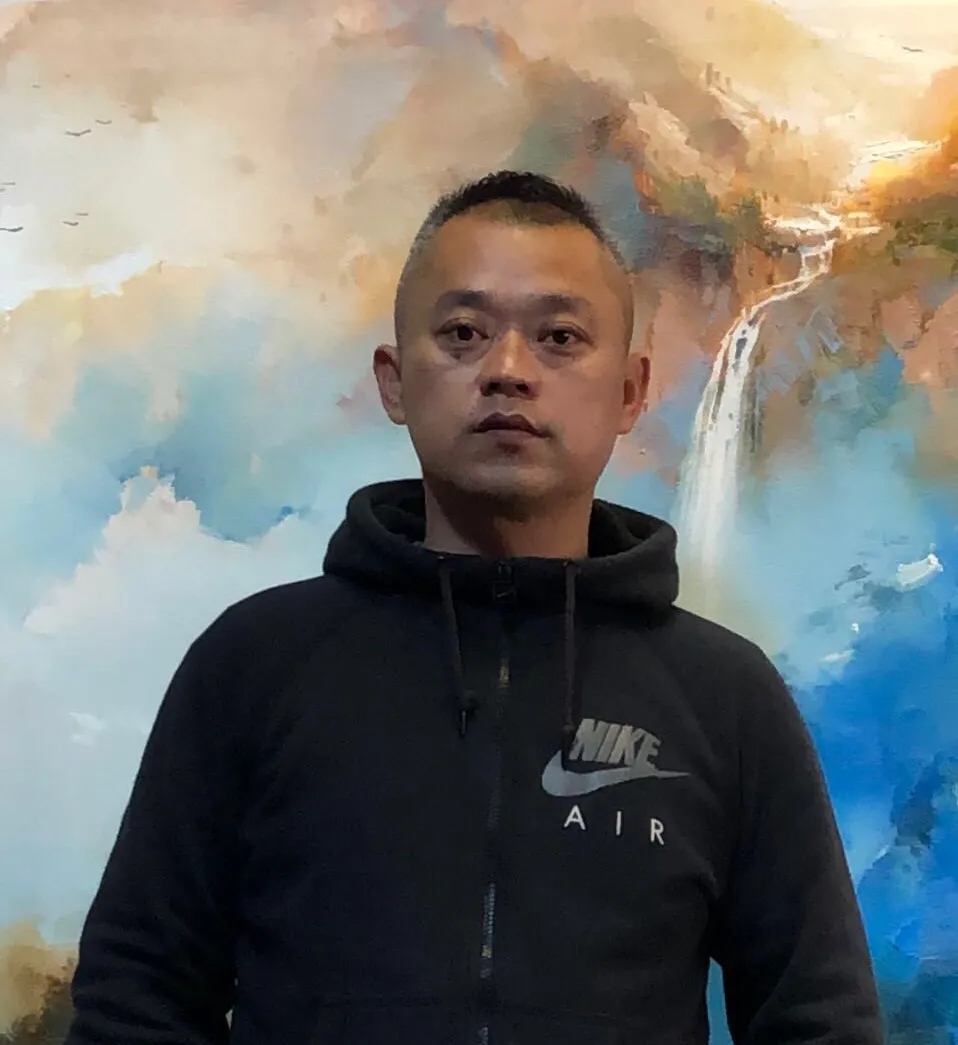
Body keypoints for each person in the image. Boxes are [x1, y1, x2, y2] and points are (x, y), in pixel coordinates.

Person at [65, 170, 882, 1045]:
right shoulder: (256, 664)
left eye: (559, 337)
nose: (508, 371)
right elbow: (137, 999)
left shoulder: (724, 697)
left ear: (629, 392)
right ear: (393, 380)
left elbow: (818, 1020)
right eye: (463, 333)